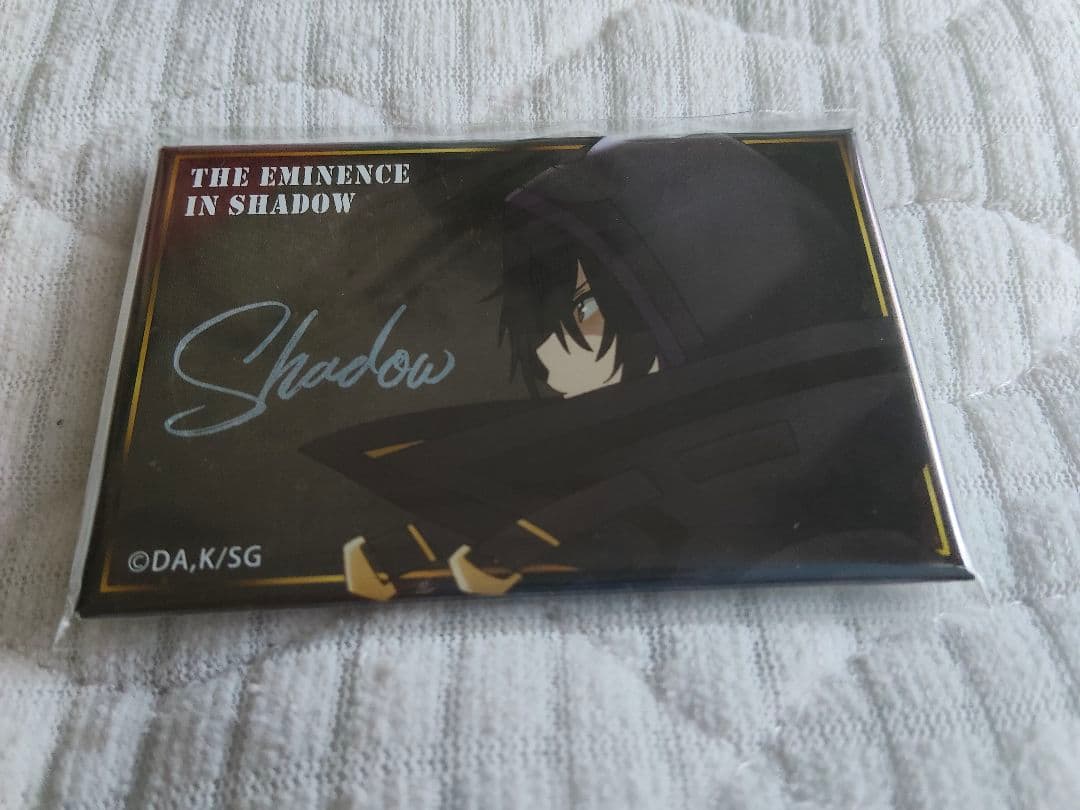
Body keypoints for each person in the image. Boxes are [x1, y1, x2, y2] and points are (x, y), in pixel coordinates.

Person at [304, 135, 956, 600]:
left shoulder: (799, 471)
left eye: (582, 309)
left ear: (693, 299)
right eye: (548, 317)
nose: (547, 353)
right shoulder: (656, 444)